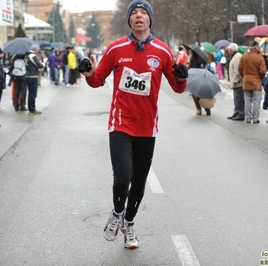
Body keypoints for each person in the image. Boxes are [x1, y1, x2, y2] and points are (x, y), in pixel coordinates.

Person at [78, 0, 187, 249]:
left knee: (139, 182)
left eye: (143, 13)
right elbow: (97, 80)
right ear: (129, 20)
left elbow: (177, 87)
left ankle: (129, 223)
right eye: (134, 14)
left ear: (149, 20)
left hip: (147, 127)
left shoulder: (162, 51)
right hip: (120, 124)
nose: (139, 17)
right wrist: (87, 73)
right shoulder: (116, 48)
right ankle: (117, 212)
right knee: (122, 178)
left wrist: (181, 78)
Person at [238, 40, 267, 123]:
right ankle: (255, 118)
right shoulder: (259, 57)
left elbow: (240, 69)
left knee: (247, 101)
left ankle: (247, 118)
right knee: (256, 101)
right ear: (256, 47)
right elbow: (263, 71)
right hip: (256, 82)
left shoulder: (244, 56)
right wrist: (261, 78)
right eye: (259, 46)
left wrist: (245, 76)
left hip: (246, 81)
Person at [227, 43, 244, 121]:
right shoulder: (235, 56)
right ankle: (236, 112)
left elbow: (237, 71)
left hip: (238, 82)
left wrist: (234, 80)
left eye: (228, 50)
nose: (228, 51)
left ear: (231, 50)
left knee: (239, 99)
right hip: (236, 82)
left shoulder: (237, 57)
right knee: (236, 99)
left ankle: (241, 113)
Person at [25, 44, 44, 116]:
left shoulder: (26, 56)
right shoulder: (33, 56)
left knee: (30, 94)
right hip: (33, 76)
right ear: (35, 50)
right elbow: (40, 65)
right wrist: (44, 63)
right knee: (33, 94)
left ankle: (31, 109)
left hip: (27, 76)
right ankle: (32, 110)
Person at [189, 48, 209, 115]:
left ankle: (198, 109)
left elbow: (192, 68)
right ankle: (207, 108)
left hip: (195, 77)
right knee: (204, 93)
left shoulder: (193, 59)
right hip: (203, 76)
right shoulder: (203, 58)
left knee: (194, 93)